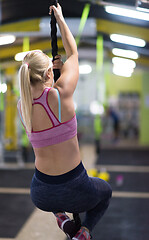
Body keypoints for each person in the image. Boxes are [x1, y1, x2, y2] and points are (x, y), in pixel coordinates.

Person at [17, 3, 112, 240]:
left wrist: (53, 74)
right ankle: (85, 232)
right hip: (76, 188)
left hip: (40, 194)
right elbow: (73, 53)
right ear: (49, 74)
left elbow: (41, 92)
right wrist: (59, 18)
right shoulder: (61, 93)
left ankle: (60, 217)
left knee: (51, 194)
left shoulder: (22, 105)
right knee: (105, 192)